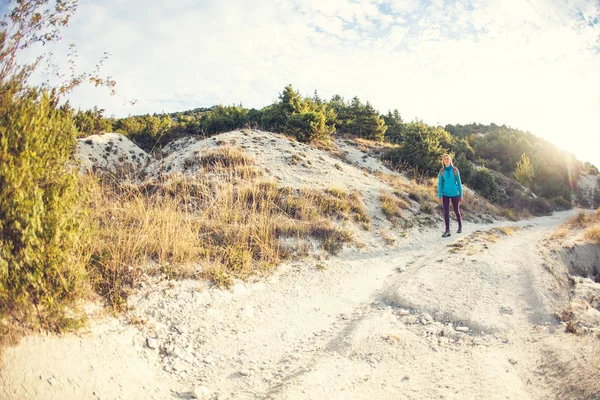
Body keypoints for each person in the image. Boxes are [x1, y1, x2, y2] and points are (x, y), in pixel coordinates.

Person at [438, 154, 463, 237]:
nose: (446, 160)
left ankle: (460, 226)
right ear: (443, 161)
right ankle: (447, 230)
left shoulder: (455, 170)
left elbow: (459, 183)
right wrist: (439, 195)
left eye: (447, 158)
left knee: (456, 210)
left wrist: (461, 195)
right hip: (445, 194)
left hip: (455, 194)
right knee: (446, 212)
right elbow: (440, 184)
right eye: (445, 159)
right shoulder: (441, 171)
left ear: (450, 160)